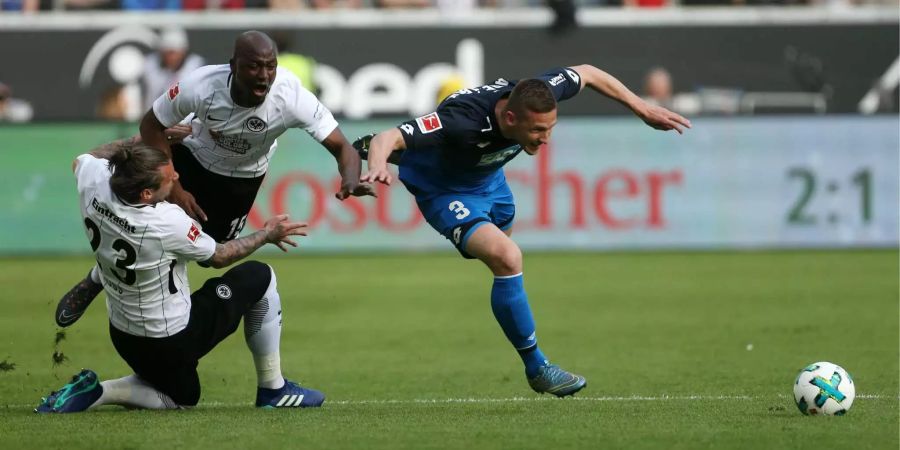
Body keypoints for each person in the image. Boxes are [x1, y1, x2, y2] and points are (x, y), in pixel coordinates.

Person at [356, 64, 690, 396]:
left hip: (491, 183)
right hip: (446, 191)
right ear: (511, 119)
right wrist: (377, 166)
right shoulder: (461, 120)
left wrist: (642, 108)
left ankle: (425, 165)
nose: (546, 139)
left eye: (550, 128)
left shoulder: (539, 90)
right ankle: (538, 368)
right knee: (507, 257)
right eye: (537, 131)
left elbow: (588, 72)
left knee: (504, 255)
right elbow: (389, 136)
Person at [54, 30, 373, 328]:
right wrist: (176, 187)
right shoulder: (201, 85)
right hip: (190, 158)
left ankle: (114, 282)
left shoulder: (291, 97)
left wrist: (349, 178)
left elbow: (342, 146)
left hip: (241, 179)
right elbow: (151, 124)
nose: (264, 75)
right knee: (144, 223)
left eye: (270, 67)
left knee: (210, 255)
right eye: (254, 67)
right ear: (233, 66)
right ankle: (101, 281)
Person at [36, 143, 322, 413]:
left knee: (179, 391)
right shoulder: (166, 222)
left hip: (122, 333)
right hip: (169, 339)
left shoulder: (94, 182)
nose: (176, 175)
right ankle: (274, 388)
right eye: (167, 177)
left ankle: (99, 278)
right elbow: (219, 256)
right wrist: (266, 235)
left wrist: (137, 143)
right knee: (260, 276)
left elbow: (85, 158)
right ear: (147, 194)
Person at [142, 27, 206, 111]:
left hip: (185, 119)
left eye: (174, 53)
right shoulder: (149, 65)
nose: (171, 58)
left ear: (183, 51)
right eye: (167, 53)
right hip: (152, 117)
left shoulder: (196, 67)